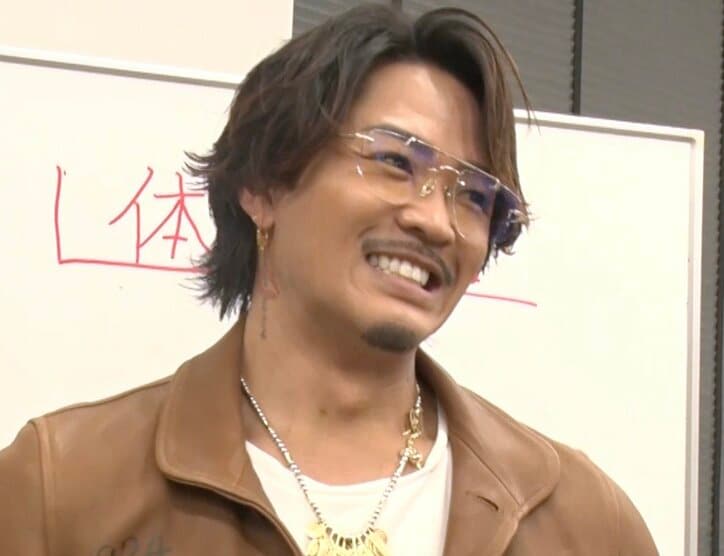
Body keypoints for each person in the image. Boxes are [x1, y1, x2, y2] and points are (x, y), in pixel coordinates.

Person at [0, 5, 658, 556]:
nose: (435, 220)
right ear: (264, 185)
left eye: (473, 195)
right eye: (395, 161)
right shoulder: (64, 488)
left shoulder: (580, 521)